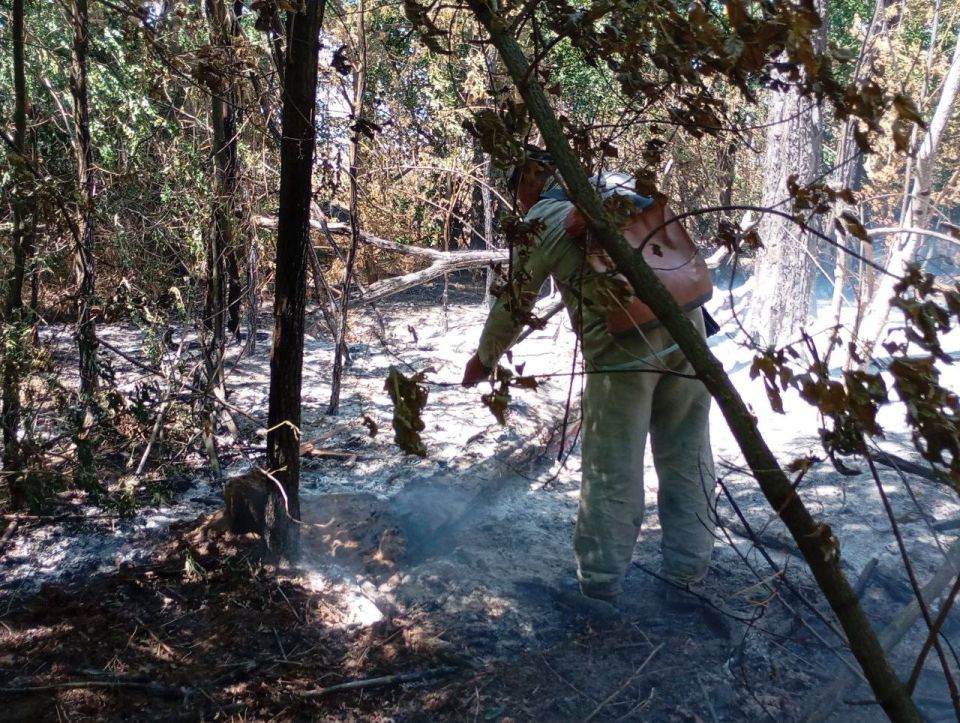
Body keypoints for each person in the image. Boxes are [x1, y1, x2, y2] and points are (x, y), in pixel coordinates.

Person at [462, 151, 718, 608]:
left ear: (529, 185)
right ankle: (687, 573)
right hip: (688, 333)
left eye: (518, 192)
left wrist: (484, 359)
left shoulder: (543, 217)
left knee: (612, 467)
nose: (520, 203)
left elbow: (514, 302)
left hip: (625, 353)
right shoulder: (615, 191)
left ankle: (599, 584)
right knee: (688, 453)